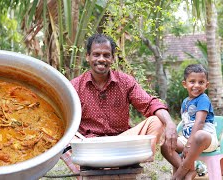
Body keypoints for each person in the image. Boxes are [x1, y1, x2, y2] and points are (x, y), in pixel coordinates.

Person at [62, 33, 177, 173]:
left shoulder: (125, 81)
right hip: (90, 147)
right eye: (96, 54)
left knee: (156, 121)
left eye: (106, 55)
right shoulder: (74, 86)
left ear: (112, 58)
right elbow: (64, 119)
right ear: (88, 57)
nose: (101, 59)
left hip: (121, 144)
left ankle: (132, 160)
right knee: (62, 135)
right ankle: (84, 169)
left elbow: (149, 104)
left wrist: (170, 124)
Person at [161, 64, 218, 180]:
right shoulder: (186, 101)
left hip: (206, 141)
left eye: (201, 82)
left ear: (206, 85)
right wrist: (186, 143)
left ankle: (180, 173)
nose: (196, 85)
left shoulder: (203, 99)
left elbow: (199, 123)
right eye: (192, 81)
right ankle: (190, 170)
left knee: (199, 135)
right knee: (166, 145)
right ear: (184, 84)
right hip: (188, 140)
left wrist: (189, 144)